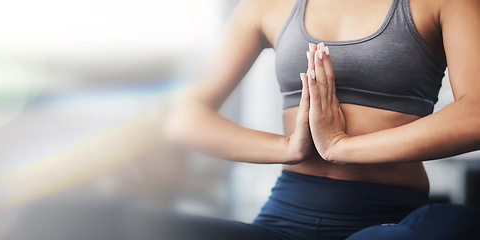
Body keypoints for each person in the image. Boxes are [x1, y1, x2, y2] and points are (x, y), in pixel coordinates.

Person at [166, 0, 480, 239]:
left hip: (389, 220)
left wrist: (341, 147)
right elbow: (184, 116)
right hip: (283, 216)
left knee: (458, 222)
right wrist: (288, 148)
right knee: (142, 224)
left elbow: (475, 113)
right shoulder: (267, 5)